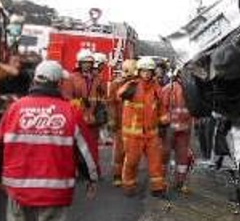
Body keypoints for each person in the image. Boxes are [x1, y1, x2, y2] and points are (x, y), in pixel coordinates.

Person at [0, 60, 98, 221]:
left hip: (19, 191)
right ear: (58, 83)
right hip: (55, 192)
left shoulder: (15, 109)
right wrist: (91, 178)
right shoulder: (70, 112)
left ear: (36, 80)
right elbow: (85, 150)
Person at [118, 57, 169, 197]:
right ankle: (129, 185)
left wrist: (164, 122)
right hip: (133, 134)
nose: (146, 74)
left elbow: (161, 107)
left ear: (153, 73)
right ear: (139, 71)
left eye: (149, 71)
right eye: (143, 71)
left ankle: (157, 187)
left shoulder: (156, 88)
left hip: (151, 133)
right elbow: (120, 94)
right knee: (132, 161)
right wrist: (126, 83)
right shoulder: (132, 85)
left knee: (156, 161)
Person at [63, 49, 106, 171]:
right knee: (75, 145)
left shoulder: (98, 79)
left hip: (94, 117)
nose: (87, 65)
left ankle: (93, 169)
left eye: (89, 62)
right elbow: (67, 98)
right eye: (85, 62)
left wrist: (101, 110)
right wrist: (81, 103)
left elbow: (103, 96)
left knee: (92, 145)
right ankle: (73, 169)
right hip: (78, 117)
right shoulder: (71, 78)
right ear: (79, 63)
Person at [160, 69, 194, 193]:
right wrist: (163, 121)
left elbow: (195, 108)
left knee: (183, 157)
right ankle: (161, 181)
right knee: (164, 155)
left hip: (184, 128)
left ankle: (180, 182)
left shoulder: (191, 90)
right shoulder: (168, 89)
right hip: (170, 127)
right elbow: (161, 107)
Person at [107, 58, 138, 186]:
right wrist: (113, 119)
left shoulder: (138, 85)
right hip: (121, 124)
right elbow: (111, 104)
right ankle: (117, 175)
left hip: (134, 125)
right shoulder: (116, 84)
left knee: (132, 153)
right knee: (119, 151)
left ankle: (129, 177)